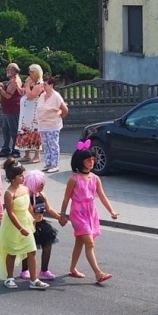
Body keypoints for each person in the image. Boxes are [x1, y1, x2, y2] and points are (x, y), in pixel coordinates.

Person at [60, 142, 118, 284]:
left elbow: (102, 196)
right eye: (88, 159)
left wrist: (111, 210)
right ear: (80, 161)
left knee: (80, 241)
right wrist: (62, 214)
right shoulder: (74, 179)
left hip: (91, 212)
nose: (92, 162)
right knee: (89, 242)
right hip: (78, 213)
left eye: (93, 159)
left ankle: (73, 268)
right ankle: (98, 273)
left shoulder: (95, 178)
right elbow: (66, 198)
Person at [0, 158, 45, 290]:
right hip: (14, 226)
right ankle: (9, 278)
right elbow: (10, 213)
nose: (23, 178)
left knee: (32, 250)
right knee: (12, 251)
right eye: (20, 176)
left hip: (26, 223)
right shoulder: (9, 193)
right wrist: (20, 228)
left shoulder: (25, 189)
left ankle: (34, 280)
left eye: (23, 175)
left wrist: (34, 218)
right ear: (13, 178)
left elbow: (28, 206)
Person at [19, 171, 66, 281]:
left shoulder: (42, 195)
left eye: (43, 183)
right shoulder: (27, 196)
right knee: (29, 248)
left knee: (47, 245)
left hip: (41, 224)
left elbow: (49, 209)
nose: (43, 185)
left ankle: (44, 270)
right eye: (40, 183)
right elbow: (27, 212)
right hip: (30, 225)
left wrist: (60, 217)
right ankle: (25, 269)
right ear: (33, 183)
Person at [33, 76, 69, 173]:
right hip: (42, 125)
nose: (43, 87)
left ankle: (54, 164)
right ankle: (48, 163)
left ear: (51, 85)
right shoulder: (42, 96)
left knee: (53, 145)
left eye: (45, 85)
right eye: (43, 85)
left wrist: (60, 116)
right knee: (46, 145)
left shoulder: (56, 96)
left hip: (53, 125)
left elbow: (65, 109)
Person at [18, 64, 44, 164]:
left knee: (35, 132)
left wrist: (28, 85)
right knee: (25, 131)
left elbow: (30, 96)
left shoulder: (39, 84)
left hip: (34, 113)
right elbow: (23, 92)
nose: (30, 74)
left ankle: (37, 155)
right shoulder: (31, 82)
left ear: (37, 73)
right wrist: (24, 85)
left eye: (32, 72)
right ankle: (27, 154)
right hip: (26, 113)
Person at [0, 63, 23, 158]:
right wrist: (3, 86)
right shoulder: (11, 80)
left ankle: (16, 150)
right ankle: (5, 148)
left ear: (14, 71)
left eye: (9, 69)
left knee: (13, 130)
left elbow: (8, 95)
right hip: (8, 109)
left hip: (13, 108)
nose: (7, 71)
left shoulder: (15, 81)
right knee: (5, 129)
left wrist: (0, 88)